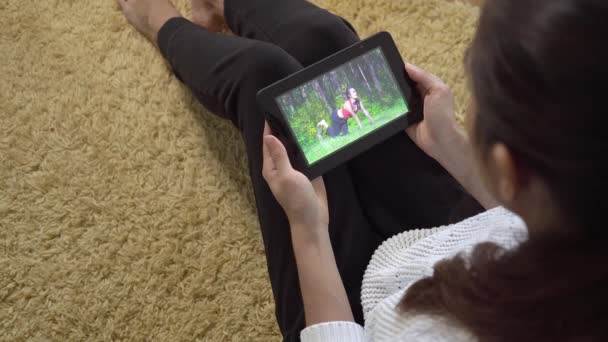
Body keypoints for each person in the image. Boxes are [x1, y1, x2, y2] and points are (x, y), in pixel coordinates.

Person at [117, 0, 608, 341]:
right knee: (328, 42)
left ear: (509, 169)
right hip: (453, 238)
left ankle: (161, 23)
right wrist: (453, 148)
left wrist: (307, 228)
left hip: (353, 310)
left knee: (261, 80)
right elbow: (518, 219)